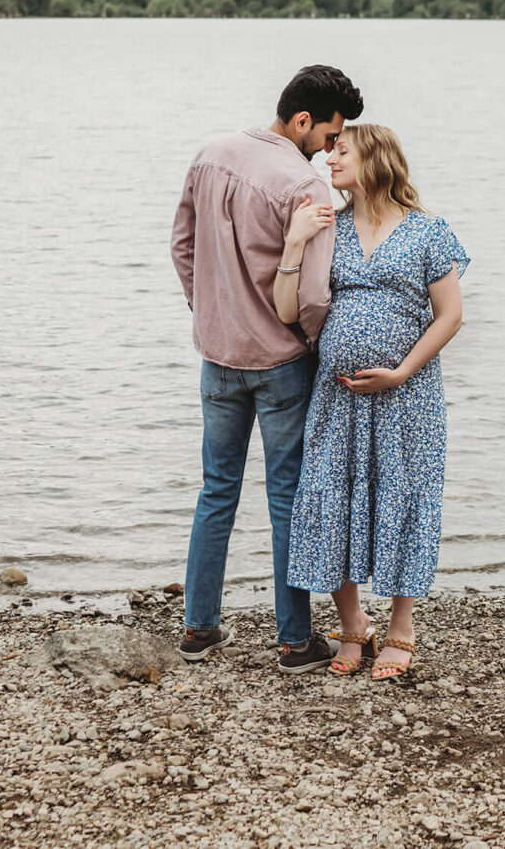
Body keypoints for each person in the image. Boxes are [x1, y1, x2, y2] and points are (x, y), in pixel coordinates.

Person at [171, 64, 364, 673]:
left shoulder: (210, 153)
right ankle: (293, 641)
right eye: (331, 137)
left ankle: (199, 629)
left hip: (217, 356)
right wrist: (312, 345)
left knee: (216, 491)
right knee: (288, 498)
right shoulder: (305, 187)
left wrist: (210, 312)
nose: (331, 150)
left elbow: (181, 247)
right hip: (281, 362)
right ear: (303, 121)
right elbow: (312, 298)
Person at [276, 124, 468, 681]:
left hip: (408, 397)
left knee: (403, 499)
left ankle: (402, 628)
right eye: (329, 149)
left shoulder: (429, 232)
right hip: (338, 399)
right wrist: (293, 241)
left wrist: (402, 371)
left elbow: (450, 315)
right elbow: (289, 311)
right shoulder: (325, 229)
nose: (328, 158)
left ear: (376, 160)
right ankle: (354, 623)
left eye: (341, 150)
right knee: (334, 499)